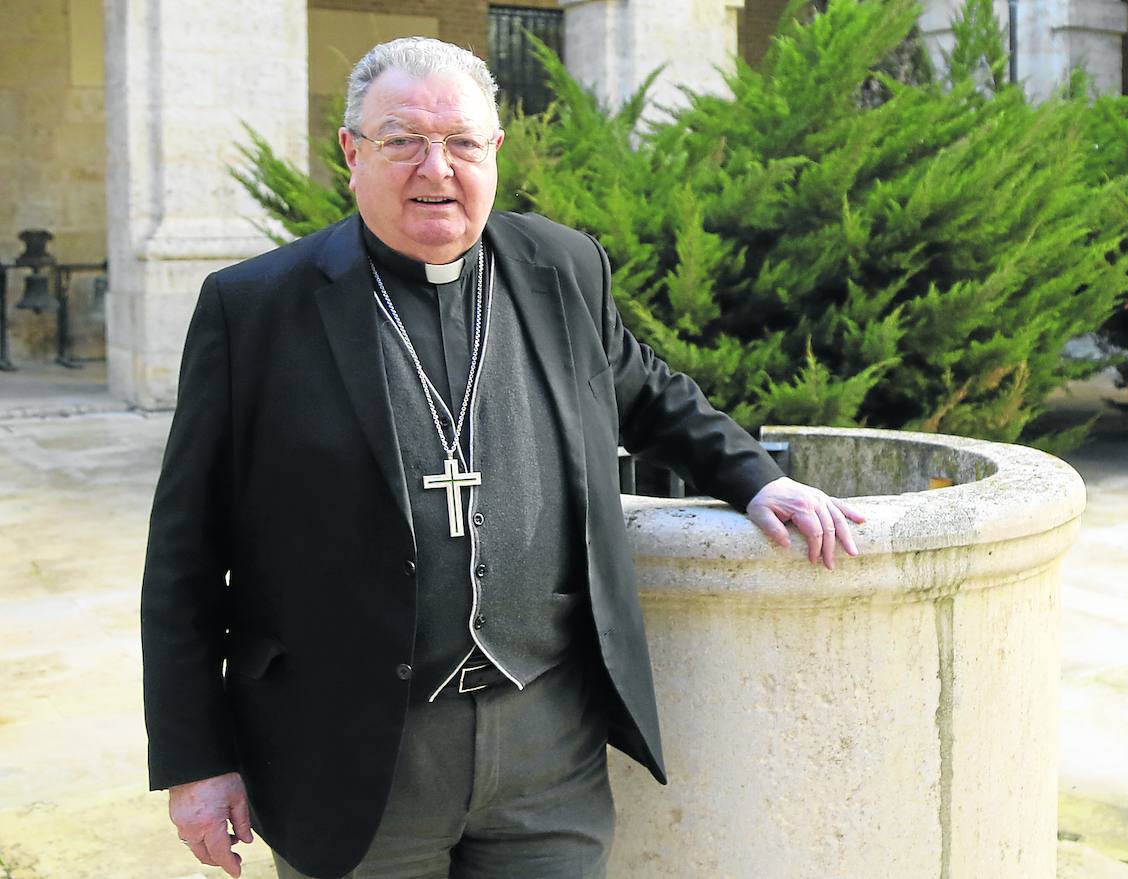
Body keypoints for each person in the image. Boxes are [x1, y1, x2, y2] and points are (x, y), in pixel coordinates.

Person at [141, 36, 862, 879]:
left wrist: (756, 478)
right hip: (348, 753)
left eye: (462, 141)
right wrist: (196, 760)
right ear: (351, 152)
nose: (435, 167)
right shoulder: (254, 309)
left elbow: (649, 392)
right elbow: (186, 554)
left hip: (547, 749)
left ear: (495, 151)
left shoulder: (561, 266)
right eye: (403, 139)